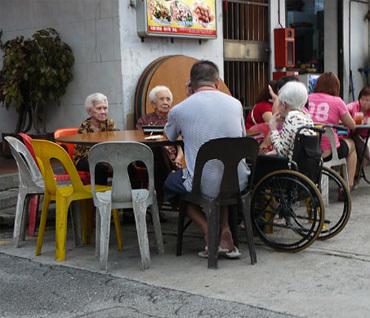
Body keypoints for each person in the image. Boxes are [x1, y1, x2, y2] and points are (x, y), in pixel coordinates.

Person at [164, 60, 250, 258]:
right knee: (222, 174)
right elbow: (242, 136)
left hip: (204, 182)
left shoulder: (179, 109)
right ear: (218, 83)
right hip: (238, 180)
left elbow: (169, 137)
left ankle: (208, 231)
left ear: (191, 86)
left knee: (171, 185)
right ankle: (225, 228)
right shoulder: (235, 104)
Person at [307, 72, 357, 190]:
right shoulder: (337, 101)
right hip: (328, 151)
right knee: (352, 145)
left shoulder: (307, 98)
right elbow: (352, 125)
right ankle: (347, 186)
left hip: (308, 149)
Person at [135, 86, 183, 202]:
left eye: (168, 99)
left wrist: (178, 158)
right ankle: (169, 171)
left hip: (172, 159)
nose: (166, 102)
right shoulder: (144, 120)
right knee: (158, 149)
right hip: (148, 158)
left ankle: (159, 204)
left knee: (157, 165)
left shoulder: (175, 119)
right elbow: (139, 140)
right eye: (162, 99)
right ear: (153, 104)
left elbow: (182, 143)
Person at [73, 93, 116, 186]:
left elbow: (113, 142)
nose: (103, 111)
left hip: (105, 156)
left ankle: (131, 196)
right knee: (100, 168)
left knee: (127, 165)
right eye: (99, 108)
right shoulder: (84, 127)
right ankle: (100, 197)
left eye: (105, 108)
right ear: (90, 111)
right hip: (85, 157)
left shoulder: (109, 123)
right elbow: (88, 152)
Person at [269, 81, 315, 159]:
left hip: (291, 166)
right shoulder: (306, 116)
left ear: (284, 105)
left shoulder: (291, 118)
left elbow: (281, 153)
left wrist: (273, 129)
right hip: (307, 164)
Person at [347, 86, 370, 161]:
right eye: (362, 99)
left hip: (368, 136)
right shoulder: (354, 106)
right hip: (354, 134)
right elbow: (343, 112)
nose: (364, 102)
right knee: (359, 141)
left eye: (367, 100)